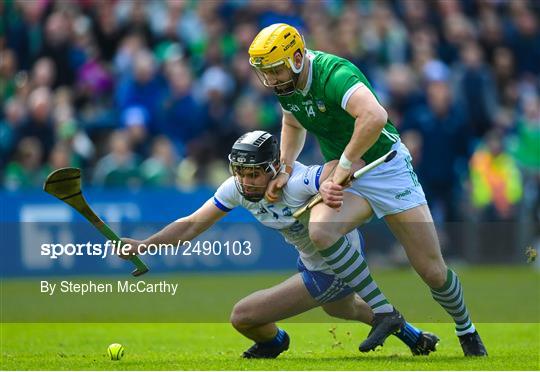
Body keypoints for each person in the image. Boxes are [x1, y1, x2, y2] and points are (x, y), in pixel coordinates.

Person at [248, 23, 487, 356]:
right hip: (351, 174)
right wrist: (285, 168)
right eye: (266, 73)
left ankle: (467, 329)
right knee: (321, 231)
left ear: (298, 58)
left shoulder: (334, 75)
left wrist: (343, 166)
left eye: (276, 70)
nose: (271, 79)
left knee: (431, 270)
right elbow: (292, 121)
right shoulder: (289, 89)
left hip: (386, 168)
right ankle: (385, 312)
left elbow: (375, 116)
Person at [122, 131, 439, 359]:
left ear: (274, 167)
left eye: (254, 173)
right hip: (311, 261)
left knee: (243, 316)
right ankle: (415, 338)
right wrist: (144, 245)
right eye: (241, 172)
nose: (246, 181)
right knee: (344, 308)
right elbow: (191, 224)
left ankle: (275, 343)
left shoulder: (297, 182)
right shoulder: (237, 189)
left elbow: (334, 171)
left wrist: (332, 184)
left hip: (334, 262)